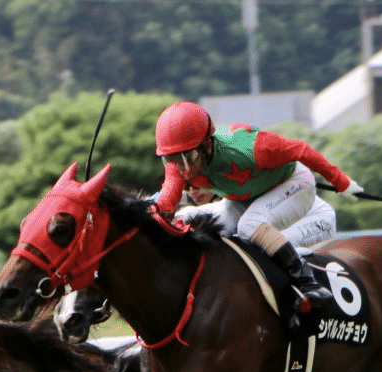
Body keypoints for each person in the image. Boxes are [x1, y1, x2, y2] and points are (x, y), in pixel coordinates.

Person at [152, 101, 364, 312]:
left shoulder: (249, 147)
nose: (183, 169)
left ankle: (309, 283)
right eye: (171, 159)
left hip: (294, 184)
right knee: (216, 229)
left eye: (188, 157)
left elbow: (302, 150)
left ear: (207, 145)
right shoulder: (178, 167)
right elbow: (167, 200)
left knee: (249, 226)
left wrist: (342, 183)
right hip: (247, 197)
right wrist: (151, 216)